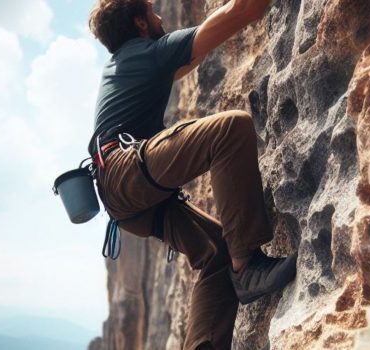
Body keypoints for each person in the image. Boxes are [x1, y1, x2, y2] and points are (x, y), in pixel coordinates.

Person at [86, 0, 296, 349]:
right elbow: (242, 11)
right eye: (153, 13)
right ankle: (248, 267)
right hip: (125, 174)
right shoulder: (148, 54)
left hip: (126, 202)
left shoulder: (126, 65)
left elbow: (195, 53)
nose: (160, 17)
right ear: (140, 23)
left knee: (216, 253)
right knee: (230, 128)